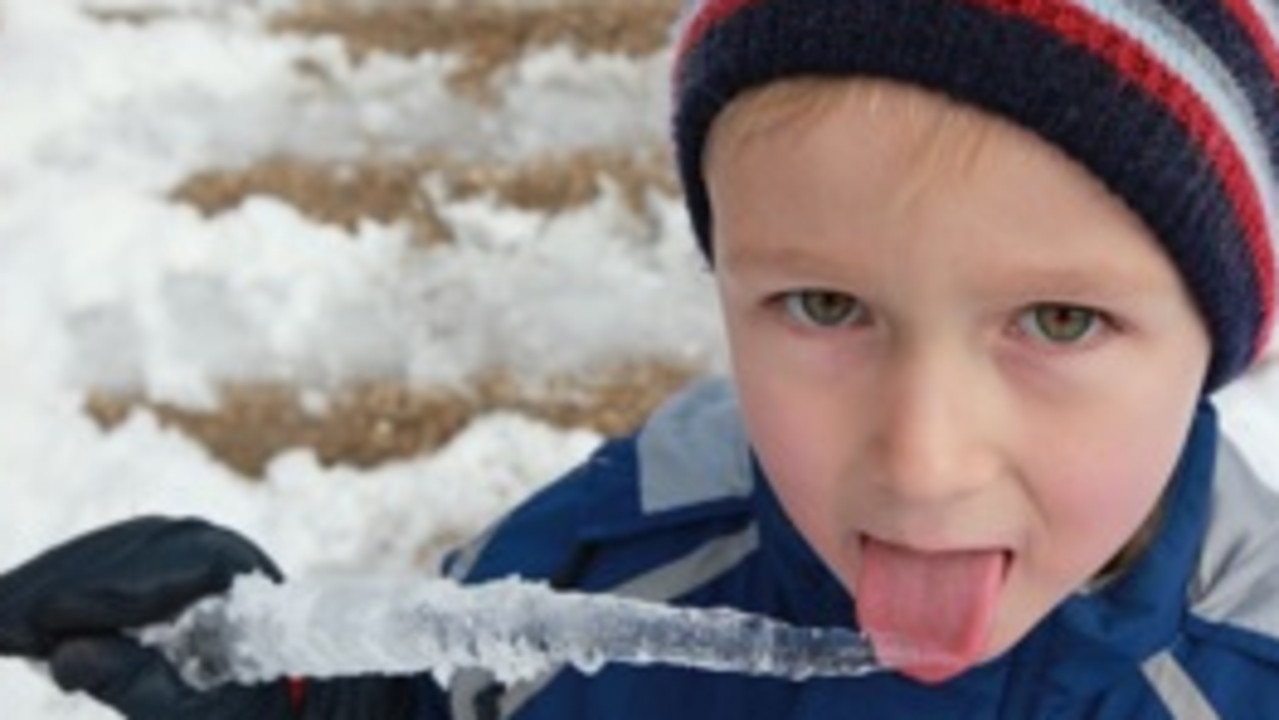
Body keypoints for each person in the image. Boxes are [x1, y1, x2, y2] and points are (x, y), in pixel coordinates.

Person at [5, 0, 1279, 717]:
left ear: (1215, 348)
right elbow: (467, 698)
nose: (924, 459)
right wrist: (314, 695)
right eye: (825, 304)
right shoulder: (643, 544)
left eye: (1057, 322)